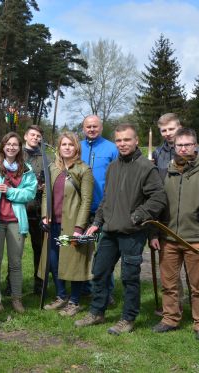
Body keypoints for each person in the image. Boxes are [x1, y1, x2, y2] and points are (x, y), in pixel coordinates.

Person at [75, 124, 167, 335]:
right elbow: (106, 199)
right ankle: (97, 312)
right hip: (109, 230)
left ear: (136, 141)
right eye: (119, 140)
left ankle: (128, 318)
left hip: (132, 233)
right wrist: (97, 223)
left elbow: (158, 198)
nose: (123, 144)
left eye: (127, 140)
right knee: (99, 272)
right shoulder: (113, 167)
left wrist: (137, 216)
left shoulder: (146, 167)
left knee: (129, 277)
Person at [149, 128, 199, 343]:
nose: (183, 148)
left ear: (195, 145)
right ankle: (170, 319)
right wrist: (154, 233)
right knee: (169, 284)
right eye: (179, 145)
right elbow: (157, 207)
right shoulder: (165, 173)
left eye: (187, 144)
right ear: (174, 147)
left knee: (198, 286)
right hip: (168, 240)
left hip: (197, 241)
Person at [38, 132, 94, 316]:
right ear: (59, 147)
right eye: (64, 144)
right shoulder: (52, 168)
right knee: (54, 261)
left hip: (71, 227)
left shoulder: (83, 170)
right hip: (54, 224)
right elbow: (46, 193)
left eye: (71, 144)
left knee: (74, 262)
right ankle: (61, 296)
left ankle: (75, 301)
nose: (67, 147)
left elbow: (86, 200)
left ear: (76, 147)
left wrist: (79, 228)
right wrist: (45, 215)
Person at [0, 132, 37, 313]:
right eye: (8, 144)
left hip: (16, 222)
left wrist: (10, 191)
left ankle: (16, 299)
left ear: (20, 147)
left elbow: (30, 193)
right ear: (3, 146)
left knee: (16, 263)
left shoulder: (26, 169)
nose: (11, 147)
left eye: (15, 144)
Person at [80, 115, 119, 304]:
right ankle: (85, 287)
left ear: (101, 127)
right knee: (82, 249)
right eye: (88, 126)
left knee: (104, 252)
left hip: (104, 208)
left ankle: (106, 291)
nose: (92, 129)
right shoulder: (77, 147)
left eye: (95, 126)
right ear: (83, 128)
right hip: (81, 209)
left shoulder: (112, 148)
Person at [22, 125, 47, 294]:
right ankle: (12, 284)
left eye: (38, 136)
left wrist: (45, 185)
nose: (35, 138)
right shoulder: (17, 154)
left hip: (38, 210)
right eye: (32, 135)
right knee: (15, 250)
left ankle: (39, 284)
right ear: (25, 136)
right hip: (20, 209)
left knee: (39, 248)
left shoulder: (46, 157)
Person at [153, 113, 199, 180]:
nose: (168, 133)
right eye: (164, 130)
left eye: (171, 129)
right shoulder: (157, 152)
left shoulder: (194, 150)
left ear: (180, 128)